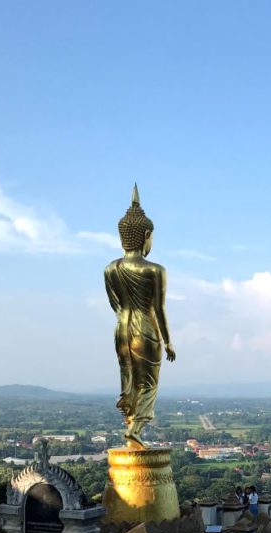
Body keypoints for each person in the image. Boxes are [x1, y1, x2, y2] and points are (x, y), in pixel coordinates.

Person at [104, 185, 176, 448]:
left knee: (128, 377)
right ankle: (134, 429)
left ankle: (129, 418)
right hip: (145, 328)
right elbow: (158, 309)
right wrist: (168, 341)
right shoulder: (155, 270)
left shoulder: (111, 269)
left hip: (121, 329)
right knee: (147, 384)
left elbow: (116, 304)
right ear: (146, 235)